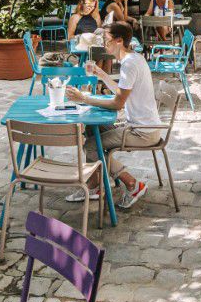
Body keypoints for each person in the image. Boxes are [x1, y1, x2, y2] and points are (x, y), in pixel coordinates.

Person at [64, 22, 158, 208]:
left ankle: (132, 184)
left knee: (91, 146)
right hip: (142, 125)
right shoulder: (134, 58)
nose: (103, 45)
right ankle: (95, 185)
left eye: (106, 41)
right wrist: (102, 75)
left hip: (143, 131)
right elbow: (122, 92)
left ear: (119, 40)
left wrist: (84, 99)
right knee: (93, 128)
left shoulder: (129, 65)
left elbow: (117, 103)